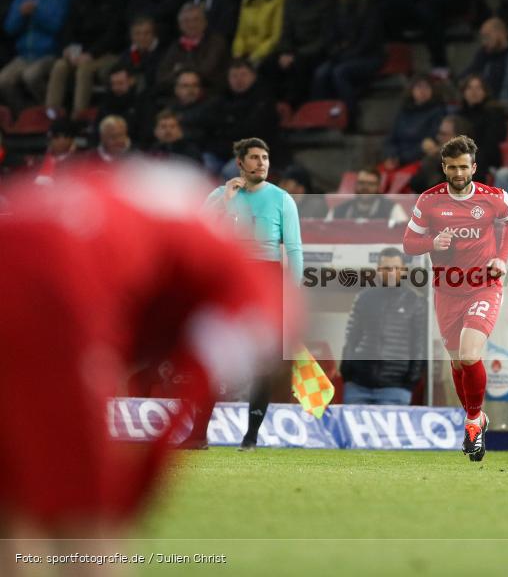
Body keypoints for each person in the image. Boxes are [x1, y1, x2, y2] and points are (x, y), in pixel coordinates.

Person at [0, 163, 285, 545]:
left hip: (18, 234)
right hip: (57, 274)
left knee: (13, 497)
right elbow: (184, 411)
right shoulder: (251, 301)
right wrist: (127, 499)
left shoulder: (184, 221)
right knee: (86, 522)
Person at [402, 135, 508, 462]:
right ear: (444, 167)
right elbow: (409, 243)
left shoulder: (493, 198)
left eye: (464, 167)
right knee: (457, 362)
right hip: (447, 290)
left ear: (474, 168)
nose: (458, 173)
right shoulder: (428, 201)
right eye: (452, 167)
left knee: (469, 355)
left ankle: (472, 420)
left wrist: (502, 258)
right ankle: (476, 417)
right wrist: (432, 243)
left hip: (484, 285)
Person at [203, 137, 303, 451]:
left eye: (265, 157)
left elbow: (296, 250)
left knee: (262, 364)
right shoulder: (220, 196)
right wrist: (225, 202)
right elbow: (198, 232)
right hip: (229, 284)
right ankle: (198, 433)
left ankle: (251, 437)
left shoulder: (282, 199)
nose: (261, 163)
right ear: (240, 163)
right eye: (255, 158)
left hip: (266, 285)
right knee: (211, 361)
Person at [340, 247, 427, 405]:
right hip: (357, 386)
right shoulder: (364, 298)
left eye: (396, 268)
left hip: (396, 389)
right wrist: (348, 374)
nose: (391, 272)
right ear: (378, 270)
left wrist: (409, 381)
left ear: (404, 270)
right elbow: (351, 338)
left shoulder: (415, 301)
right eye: (386, 268)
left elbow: (419, 345)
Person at [45, 0, 127, 116]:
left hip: (106, 53)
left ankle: (79, 116)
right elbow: (69, 25)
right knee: (60, 65)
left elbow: (113, 35)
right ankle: (51, 114)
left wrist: (91, 54)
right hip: (80, 50)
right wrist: (68, 48)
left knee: (84, 69)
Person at [311, 0, 385, 127]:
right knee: (321, 73)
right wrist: (336, 51)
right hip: (341, 55)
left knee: (340, 72)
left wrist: (345, 54)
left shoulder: (373, 6)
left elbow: (368, 40)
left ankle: (351, 116)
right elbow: (329, 35)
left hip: (369, 56)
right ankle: (321, 118)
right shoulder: (336, 5)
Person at [0, 0, 71, 114]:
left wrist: (36, 13)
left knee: (31, 76)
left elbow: (58, 26)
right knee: (3, 81)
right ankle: (26, 111)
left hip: (49, 53)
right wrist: (21, 14)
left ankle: (50, 112)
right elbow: (9, 28)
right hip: (24, 55)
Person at [266, 0, 331, 105]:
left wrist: (296, 54)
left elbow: (325, 37)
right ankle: (271, 105)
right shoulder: (290, 1)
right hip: (294, 50)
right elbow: (286, 30)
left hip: (315, 51)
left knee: (298, 66)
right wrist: (285, 52)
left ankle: (295, 107)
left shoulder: (326, 1)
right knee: (269, 63)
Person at [155, 3, 230, 95]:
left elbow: (206, 72)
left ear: (205, 22)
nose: (191, 24)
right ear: (180, 25)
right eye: (186, 21)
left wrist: (179, 69)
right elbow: (161, 77)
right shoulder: (175, 46)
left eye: (196, 19)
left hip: (209, 94)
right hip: (177, 97)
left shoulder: (216, 42)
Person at [231, 0, 286, 66]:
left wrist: (254, 57)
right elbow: (240, 33)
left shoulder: (279, 0)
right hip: (244, 54)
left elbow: (275, 37)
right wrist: (238, 53)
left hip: (265, 55)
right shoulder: (246, 0)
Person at [327, 167, 408, 222]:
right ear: (356, 184)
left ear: (379, 187)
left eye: (371, 184)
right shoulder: (338, 211)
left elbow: (402, 234)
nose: (365, 187)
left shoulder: (393, 209)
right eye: (362, 183)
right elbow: (326, 233)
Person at [460, 17, 508, 100]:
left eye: (487, 37)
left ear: (501, 34)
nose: (484, 42)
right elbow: (469, 72)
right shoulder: (484, 52)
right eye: (482, 38)